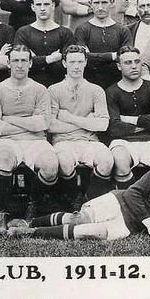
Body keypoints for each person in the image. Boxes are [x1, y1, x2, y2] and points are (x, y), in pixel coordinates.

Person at [6, 143, 150, 239]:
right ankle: (31, 222)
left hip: (129, 225)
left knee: (88, 232)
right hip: (120, 202)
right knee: (79, 217)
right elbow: (132, 193)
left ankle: (32, 233)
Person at [0, 44, 57, 226]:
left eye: (23, 61)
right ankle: (0, 214)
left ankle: (31, 207)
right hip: (7, 141)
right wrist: (30, 124)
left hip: (36, 141)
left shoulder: (40, 89)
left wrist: (9, 119)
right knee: (3, 159)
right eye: (15, 60)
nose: (19, 65)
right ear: (9, 64)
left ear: (30, 63)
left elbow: (43, 123)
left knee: (50, 166)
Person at [48, 45, 113, 205]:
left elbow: (103, 124)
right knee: (64, 161)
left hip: (90, 141)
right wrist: (88, 122)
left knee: (107, 160)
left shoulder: (96, 90)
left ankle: (89, 200)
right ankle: (72, 199)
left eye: (79, 61)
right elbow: (51, 126)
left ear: (85, 63)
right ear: (64, 63)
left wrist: (68, 117)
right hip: (63, 141)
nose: (76, 66)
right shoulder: (54, 90)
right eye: (72, 62)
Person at [106, 46, 150, 189]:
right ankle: (131, 202)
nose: (134, 66)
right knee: (120, 160)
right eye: (128, 63)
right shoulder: (111, 91)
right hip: (123, 142)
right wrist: (146, 122)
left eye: (137, 62)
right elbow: (114, 128)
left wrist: (127, 120)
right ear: (119, 66)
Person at [12, 0, 76, 87]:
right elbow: (21, 63)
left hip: (59, 87)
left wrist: (35, 60)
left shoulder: (65, 33)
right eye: (38, 5)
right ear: (33, 7)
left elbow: (68, 65)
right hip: (29, 87)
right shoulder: (23, 32)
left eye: (46, 4)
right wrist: (49, 59)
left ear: (53, 5)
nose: (42, 8)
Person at [73, 0, 132, 90]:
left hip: (117, 85)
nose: (100, 7)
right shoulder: (82, 30)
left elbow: (125, 58)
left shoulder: (123, 30)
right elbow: (82, 58)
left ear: (112, 3)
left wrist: (93, 56)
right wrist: (112, 56)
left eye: (104, 2)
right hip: (89, 84)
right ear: (90, 3)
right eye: (96, 3)